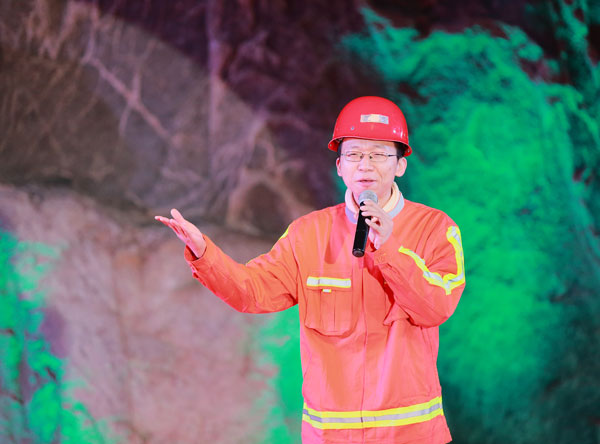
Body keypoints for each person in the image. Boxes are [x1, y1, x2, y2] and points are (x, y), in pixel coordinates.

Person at [156, 96, 465, 444]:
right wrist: (204, 253)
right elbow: (251, 291)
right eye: (354, 154)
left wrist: (389, 247)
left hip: (410, 435)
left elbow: (435, 307)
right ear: (340, 166)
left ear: (400, 165)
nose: (365, 165)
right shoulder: (308, 234)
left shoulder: (436, 229)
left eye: (378, 154)